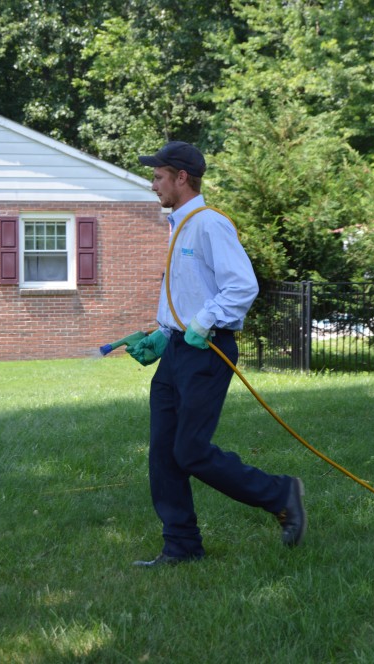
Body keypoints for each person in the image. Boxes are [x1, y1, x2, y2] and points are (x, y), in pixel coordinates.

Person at [126, 140, 306, 567]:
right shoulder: (178, 225)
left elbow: (242, 286)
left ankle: (281, 494)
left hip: (206, 350)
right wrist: (162, 330)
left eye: (158, 177)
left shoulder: (209, 224)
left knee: (189, 450)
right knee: (163, 452)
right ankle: (181, 546)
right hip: (177, 349)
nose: (152, 185)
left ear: (181, 178)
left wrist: (203, 322)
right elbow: (190, 291)